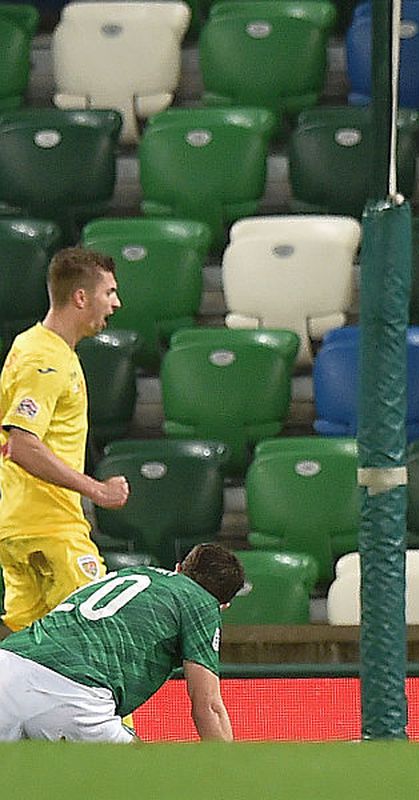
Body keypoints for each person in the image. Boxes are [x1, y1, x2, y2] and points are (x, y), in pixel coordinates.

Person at [0, 247, 129, 639]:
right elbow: (22, 444)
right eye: (109, 292)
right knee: (100, 630)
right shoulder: (46, 361)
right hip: (49, 527)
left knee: (24, 646)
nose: (115, 303)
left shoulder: (32, 345)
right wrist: (98, 490)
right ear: (80, 297)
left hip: (20, 522)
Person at [0, 542, 244, 742]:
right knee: (148, 780)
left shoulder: (131, 573)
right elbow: (208, 706)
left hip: (9, 666)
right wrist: (228, 775)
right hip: (76, 696)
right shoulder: (202, 603)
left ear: (178, 568)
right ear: (223, 605)